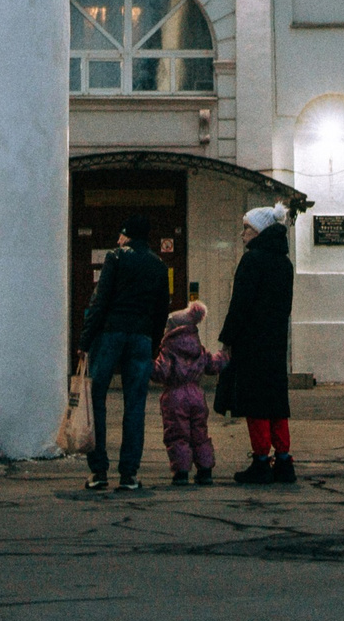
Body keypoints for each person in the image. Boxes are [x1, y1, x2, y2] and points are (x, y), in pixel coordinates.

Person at [77, 213, 171, 491]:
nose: (118, 239)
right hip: (141, 337)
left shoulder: (115, 258)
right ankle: (129, 474)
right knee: (135, 405)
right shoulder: (158, 265)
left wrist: (85, 340)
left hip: (110, 333)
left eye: (121, 234)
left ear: (128, 235)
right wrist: (153, 343)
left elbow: (100, 301)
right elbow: (161, 309)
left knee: (97, 400)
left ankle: (99, 472)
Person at [215, 203, 297, 484]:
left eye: (246, 228)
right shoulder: (284, 263)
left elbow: (240, 304)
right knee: (276, 400)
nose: (242, 234)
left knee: (255, 403)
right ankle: (284, 461)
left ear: (259, 231)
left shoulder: (252, 261)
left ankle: (261, 461)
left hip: (251, 342)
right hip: (275, 341)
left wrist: (228, 339)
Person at [151, 300, 226, 486]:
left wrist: (145, 363)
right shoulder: (198, 349)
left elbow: (161, 372)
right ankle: (205, 470)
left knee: (178, 434)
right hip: (196, 395)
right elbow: (213, 365)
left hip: (175, 396)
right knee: (200, 433)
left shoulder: (169, 350)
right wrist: (225, 355)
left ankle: (181, 472)